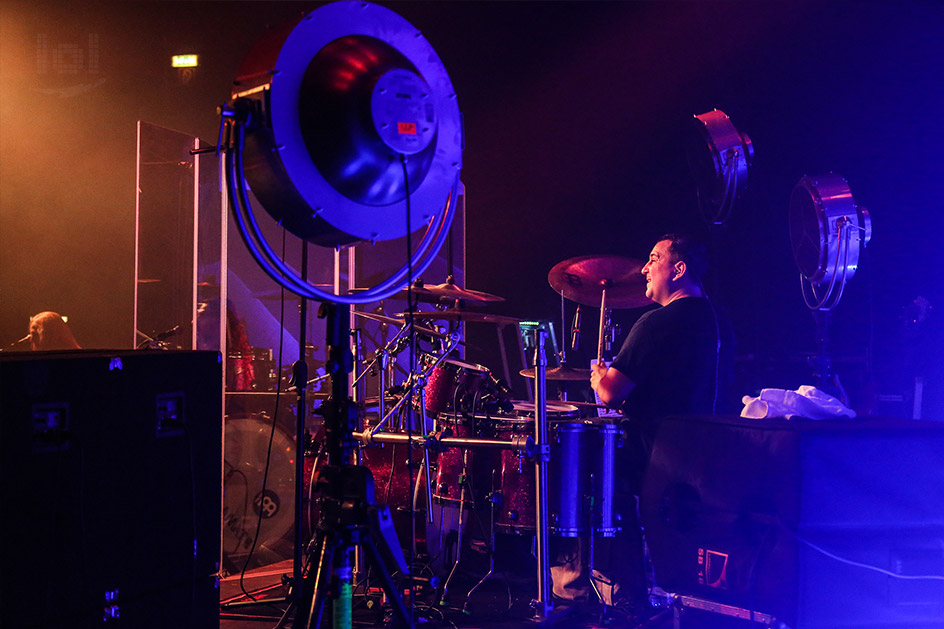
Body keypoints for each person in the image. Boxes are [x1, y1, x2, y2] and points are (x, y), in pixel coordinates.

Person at [553, 234, 731, 618]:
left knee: (579, 467)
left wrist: (598, 375)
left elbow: (610, 394)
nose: (644, 268)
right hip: (703, 453)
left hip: (652, 453)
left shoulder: (657, 322)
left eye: (654, 259)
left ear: (678, 269)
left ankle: (604, 587)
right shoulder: (716, 321)